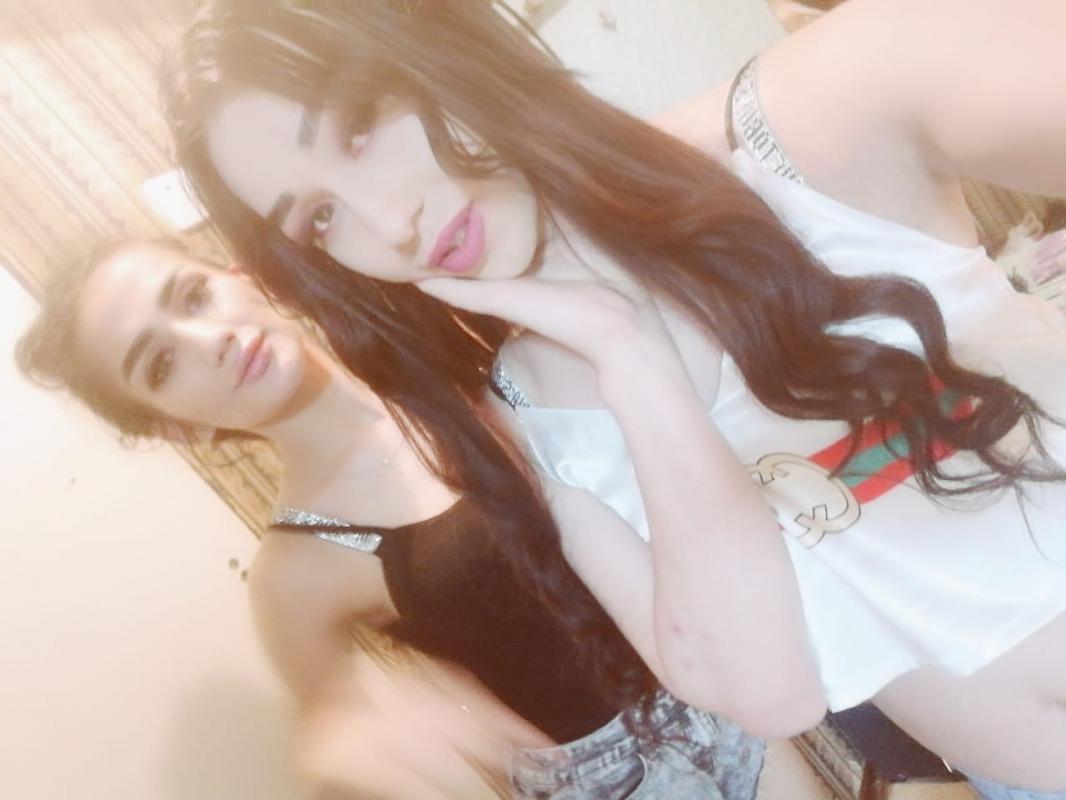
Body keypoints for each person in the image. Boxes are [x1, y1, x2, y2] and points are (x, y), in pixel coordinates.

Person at [161, 1, 1066, 796]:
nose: (390, 224)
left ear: (432, 37)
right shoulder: (534, 410)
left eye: (359, 124)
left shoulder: (796, 128)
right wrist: (630, 357)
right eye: (320, 218)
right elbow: (772, 692)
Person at [16, 238, 765, 799]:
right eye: (160, 364)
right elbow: (335, 735)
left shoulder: (441, 345)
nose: (208, 341)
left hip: (732, 635)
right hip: (623, 780)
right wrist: (360, 746)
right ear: (182, 428)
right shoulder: (293, 572)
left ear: (241, 278)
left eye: (192, 296)